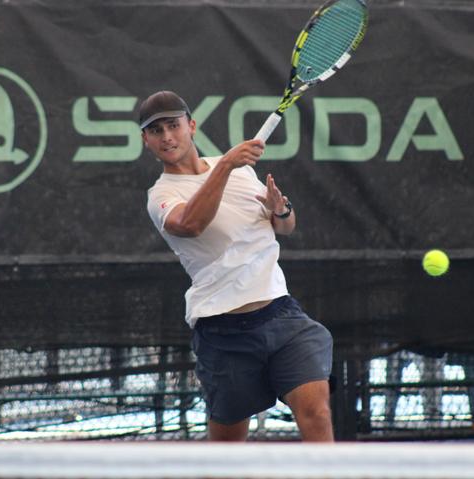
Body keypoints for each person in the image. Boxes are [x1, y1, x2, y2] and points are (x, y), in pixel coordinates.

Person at [140, 90, 334, 444]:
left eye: (173, 125)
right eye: (156, 131)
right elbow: (191, 224)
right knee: (228, 452)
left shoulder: (242, 173)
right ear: (146, 141)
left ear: (191, 126)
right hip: (223, 332)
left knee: (317, 414)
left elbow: (284, 227)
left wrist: (281, 211)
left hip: (282, 315)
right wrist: (227, 165)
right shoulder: (160, 195)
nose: (167, 136)